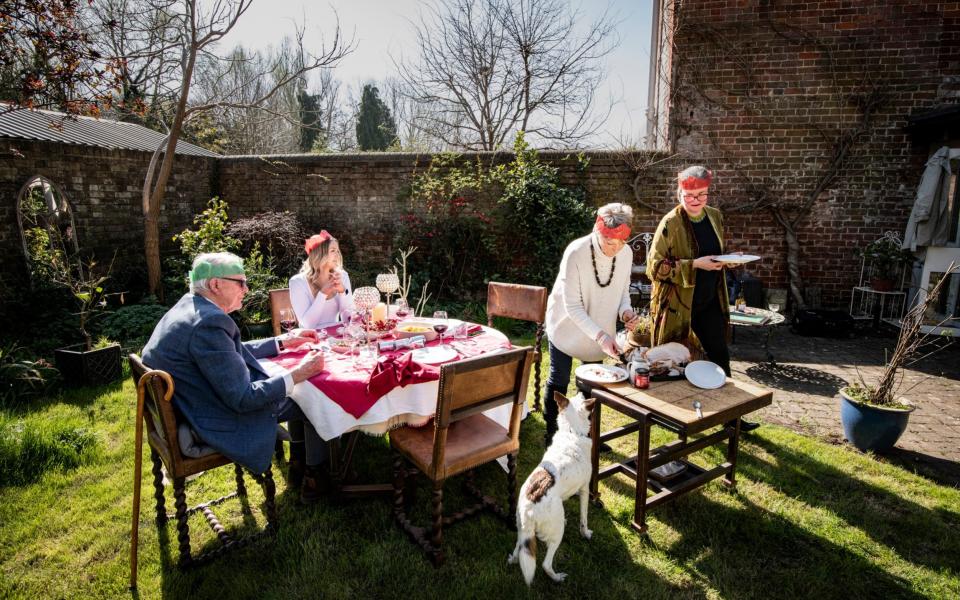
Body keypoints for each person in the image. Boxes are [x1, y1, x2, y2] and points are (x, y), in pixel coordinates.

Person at [142, 252, 333, 503]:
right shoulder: (209, 323)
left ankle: (299, 463)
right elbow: (243, 398)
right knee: (311, 397)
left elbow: (227, 351)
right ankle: (315, 478)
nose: (247, 289)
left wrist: (282, 342)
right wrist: (298, 374)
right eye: (240, 282)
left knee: (298, 389)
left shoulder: (190, 307)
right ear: (215, 284)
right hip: (215, 421)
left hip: (192, 408)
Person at [646, 166, 759, 431]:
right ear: (679, 193)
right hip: (678, 306)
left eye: (702, 194)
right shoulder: (670, 223)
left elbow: (713, 254)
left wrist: (727, 260)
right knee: (673, 362)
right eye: (689, 195)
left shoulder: (715, 217)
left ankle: (732, 418)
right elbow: (654, 268)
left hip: (708, 301)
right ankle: (671, 417)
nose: (696, 200)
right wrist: (694, 264)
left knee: (720, 355)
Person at [543, 203, 639, 445]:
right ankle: (554, 435)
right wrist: (602, 337)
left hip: (599, 327)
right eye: (608, 242)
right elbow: (573, 306)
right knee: (559, 381)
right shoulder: (576, 252)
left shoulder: (625, 254)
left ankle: (587, 434)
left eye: (620, 243)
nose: (614, 248)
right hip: (565, 324)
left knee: (593, 386)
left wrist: (626, 312)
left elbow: (622, 291)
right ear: (597, 230)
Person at [289, 231, 355, 329]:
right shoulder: (298, 282)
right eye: (333, 250)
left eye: (338, 251)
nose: (337, 255)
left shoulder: (342, 276)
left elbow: (348, 319)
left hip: (336, 337)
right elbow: (308, 325)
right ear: (319, 254)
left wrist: (342, 292)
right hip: (310, 338)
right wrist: (323, 294)